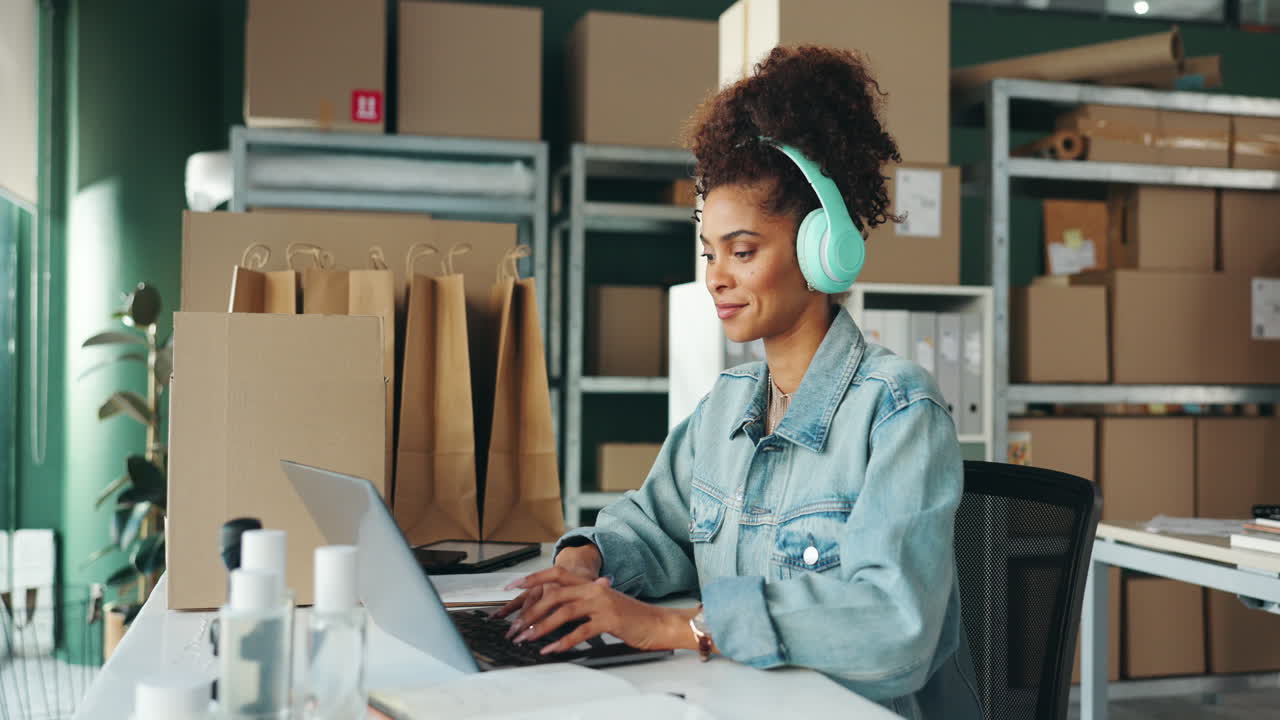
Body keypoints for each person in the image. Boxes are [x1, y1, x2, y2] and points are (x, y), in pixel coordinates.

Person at [498, 45, 982, 719]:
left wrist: (677, 627)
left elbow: (893, 625)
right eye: (710, 252)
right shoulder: (728, 406)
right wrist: (583, 561)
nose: (716, 277)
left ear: (823, 250)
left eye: (743, 251)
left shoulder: (897, 411)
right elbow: (656, 528)